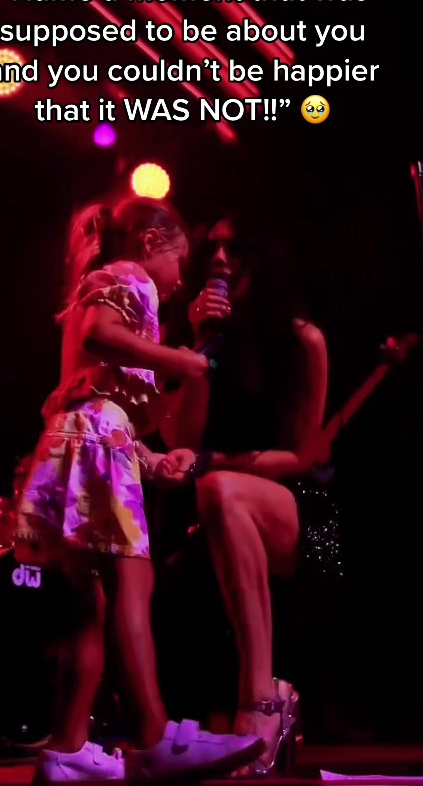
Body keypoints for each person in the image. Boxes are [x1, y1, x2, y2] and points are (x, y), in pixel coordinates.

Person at [14, 199, 263, 783]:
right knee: (133, 582)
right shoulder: (129, 277)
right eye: (180, 262)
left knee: (89, 610)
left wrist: (149, 460)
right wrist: (179, 358)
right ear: (152, 243)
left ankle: (67, 750)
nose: (179, 282)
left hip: (85, 441)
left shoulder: (101, 285)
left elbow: (93, 393)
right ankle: (154, 737)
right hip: (96, 445)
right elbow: (100, 336)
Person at [160, 216, 328, 776]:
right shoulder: (205, 339)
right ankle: (259, 697)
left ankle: (259, 698)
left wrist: (214, 464)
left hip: (303, 510)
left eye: (235, 249)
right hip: (221, 506)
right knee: (218, 497)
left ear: (263, 258)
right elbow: (180, 438)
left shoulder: (302, 340)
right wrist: (199, 349)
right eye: (213, 248)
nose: (220, 260)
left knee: (220, 489)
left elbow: (303, 454)